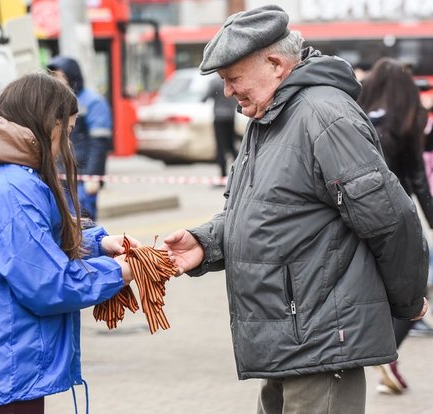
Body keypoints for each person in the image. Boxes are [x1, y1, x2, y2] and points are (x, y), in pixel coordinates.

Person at [162, 5, 429, 413]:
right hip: (289, 342)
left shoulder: (324, 116)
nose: (227, 91)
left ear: (275, 64)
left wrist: (407, 301)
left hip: (321, 344)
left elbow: (390, 219)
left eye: (233, 78)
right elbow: (266, 212)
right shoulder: (271, 116)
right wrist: (205, 243)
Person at [0, 73, 137, 414]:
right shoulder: (11, 187)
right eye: (67, 132)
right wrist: (118, 272)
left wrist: (100, 243)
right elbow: (48, 284)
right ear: (49, 124)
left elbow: (32, 239)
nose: (67, 145)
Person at [358, 57, 433, 394]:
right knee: (413, 292)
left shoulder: (357, 116)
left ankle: (375, 359)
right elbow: (417, 178)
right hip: (397, 221)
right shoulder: (407, 119)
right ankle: (387, 354)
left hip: (360, 219)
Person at [46, 56, 113, 221]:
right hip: (61, 175)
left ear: (72, 75)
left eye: (60, 75)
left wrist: (93, 176)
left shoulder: (93, 102)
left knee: (83, 223)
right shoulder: (57, 101)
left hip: (82, 176)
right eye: (53, 76)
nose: (56, 80)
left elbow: (99, 142)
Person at [203, 75, 239, 181]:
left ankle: (223, 175)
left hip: (219, 117)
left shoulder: (214, 81)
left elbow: (205, 97)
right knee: (231, 145)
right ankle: (239, 171)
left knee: (220, 147)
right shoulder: (233, 78)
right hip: (231, 116)